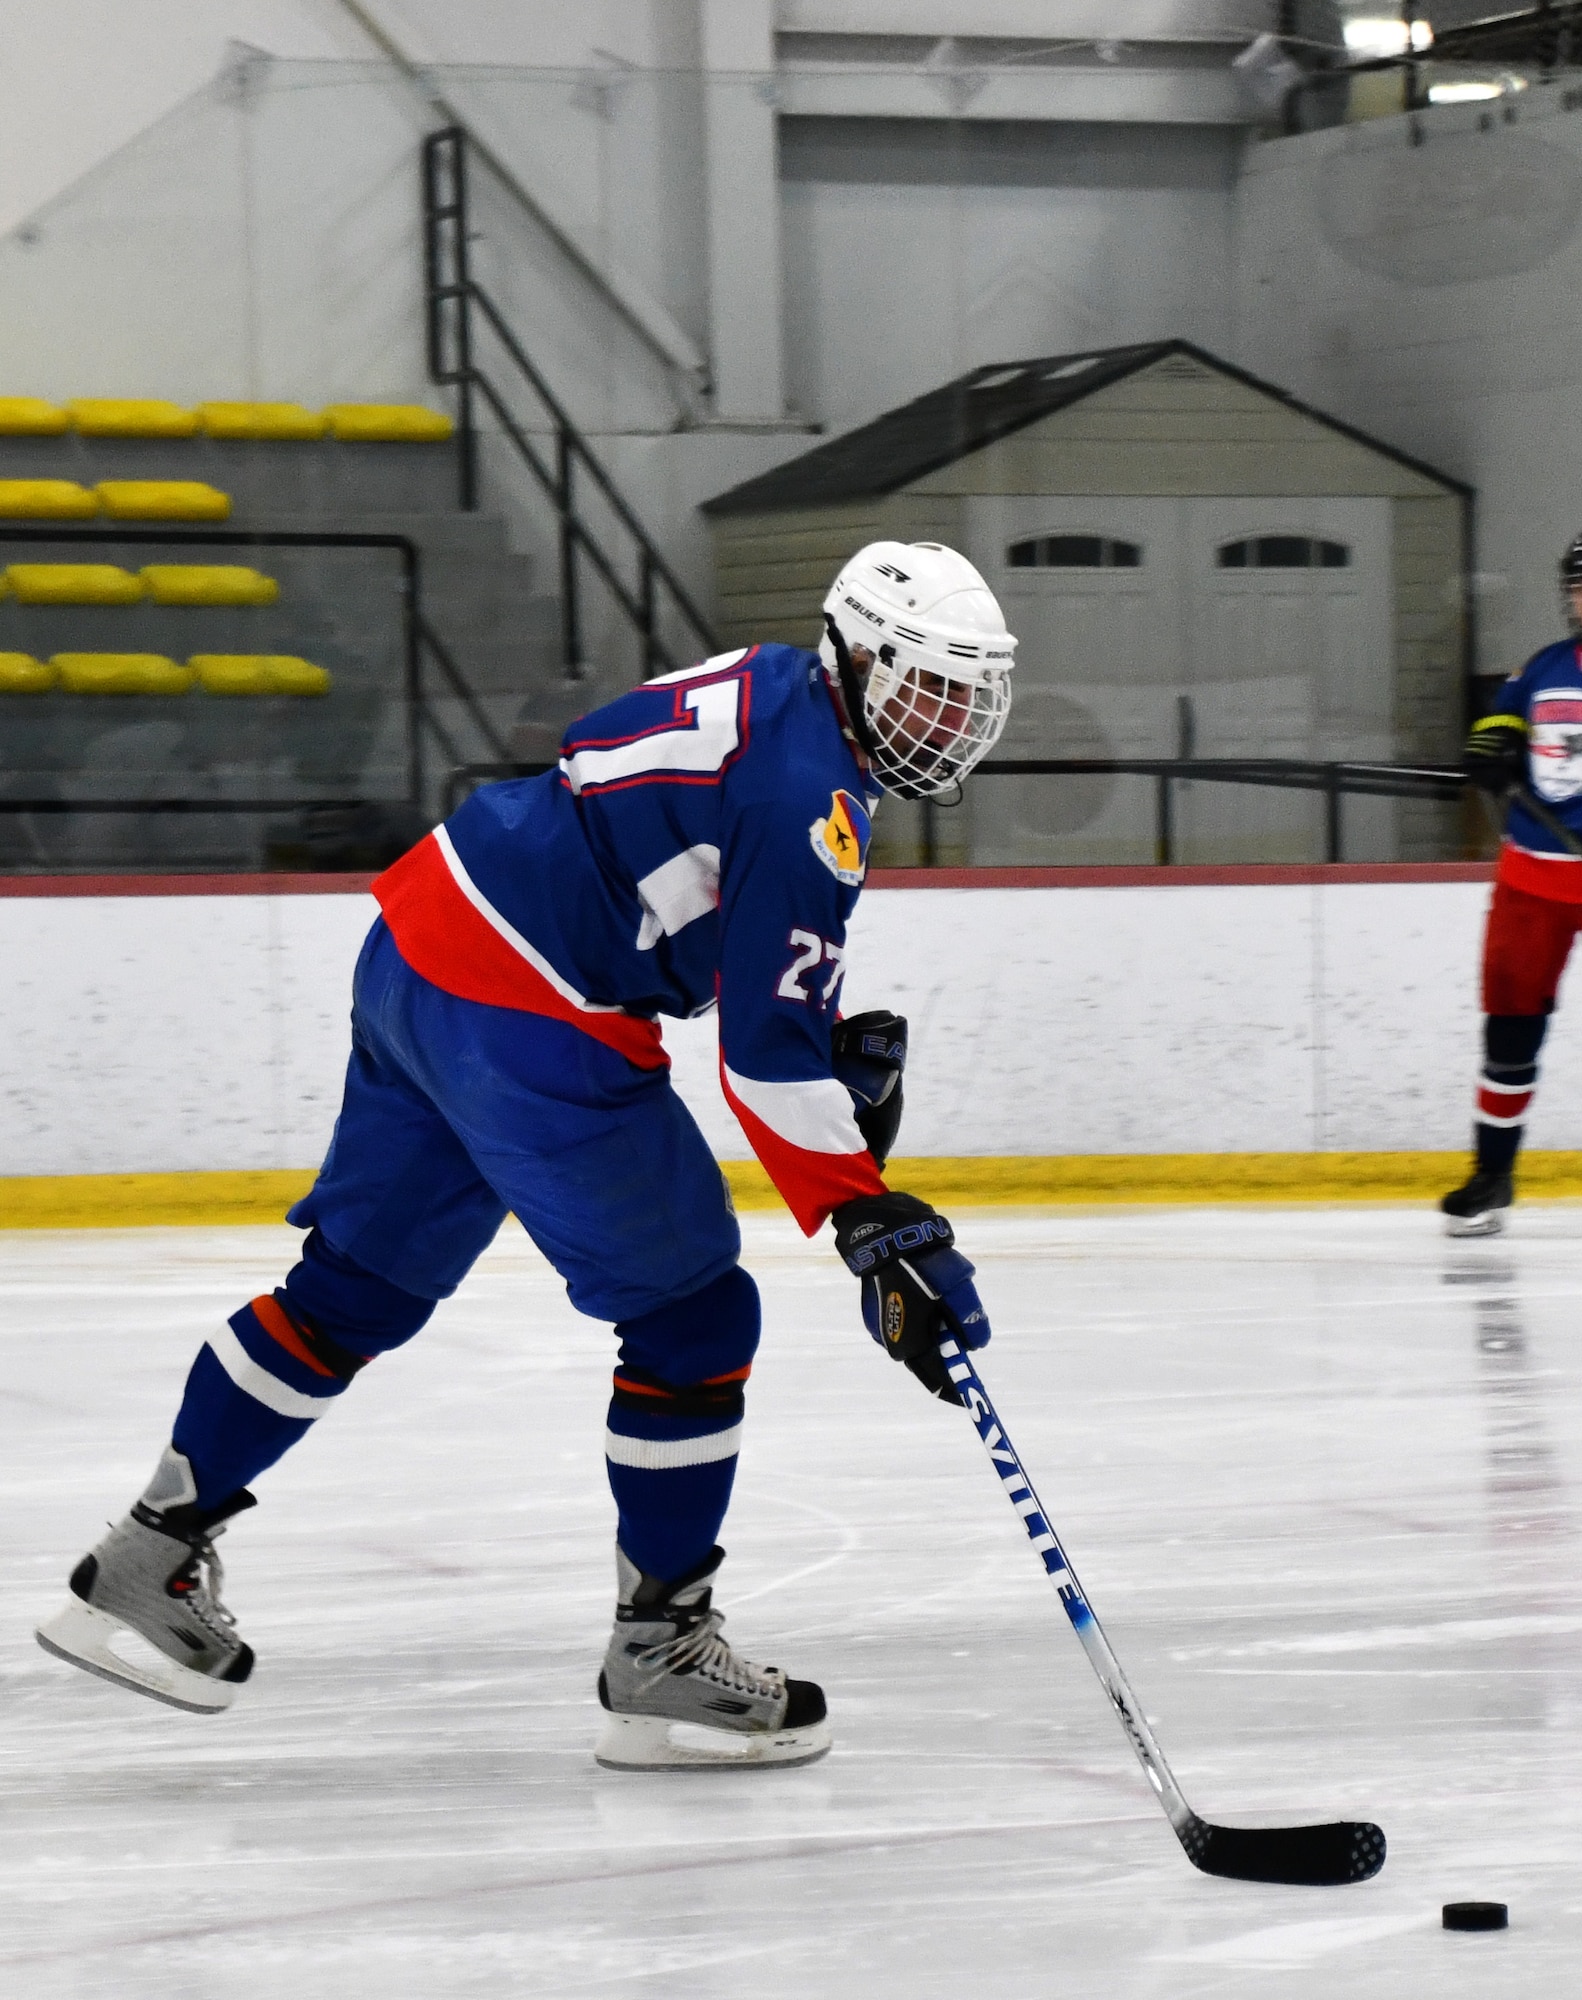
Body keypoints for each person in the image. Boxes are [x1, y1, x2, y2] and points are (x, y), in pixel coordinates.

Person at [37, 541, 1016, 1770]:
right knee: (695, 1319)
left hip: (426, 936)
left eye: (972, 693)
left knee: (353, 1290)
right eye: (929, 684)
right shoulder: (808, 794)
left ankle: (142, 1556)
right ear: (858, 656)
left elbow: (688, 888)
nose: (954, 717)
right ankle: (660, 1650)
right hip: (528, 1007)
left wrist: (819, 1055)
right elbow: (761, 1058)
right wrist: (870, 1219)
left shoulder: (780, 691)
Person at [1443, 530, 1582, 1235]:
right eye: (1581, 587)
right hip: (1530, 883)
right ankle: (1492, 1177)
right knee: (1509, 1034)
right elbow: (1501, 719)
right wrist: (1493, 745)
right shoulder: (1542, 666)